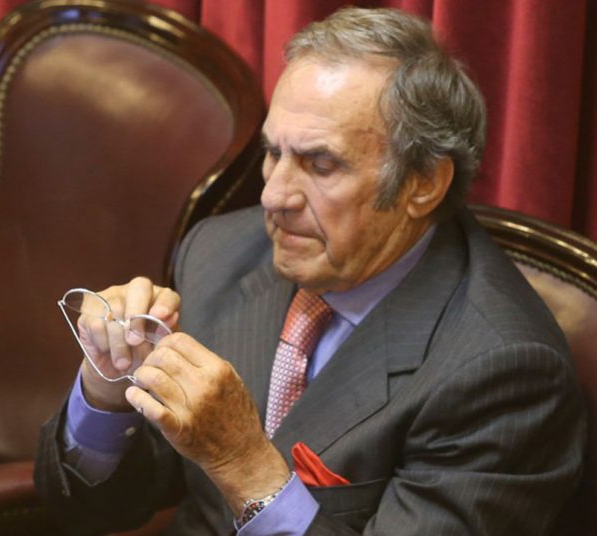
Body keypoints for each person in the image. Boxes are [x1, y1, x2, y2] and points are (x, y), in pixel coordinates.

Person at [35, 6, 585, 535]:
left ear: (423, 183)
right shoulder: (221, 253)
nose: (273, 197)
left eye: (320, 165)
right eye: (274, 154)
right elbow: (99, 510)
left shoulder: (503, 371)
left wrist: (243, 463)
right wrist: (107, 390)